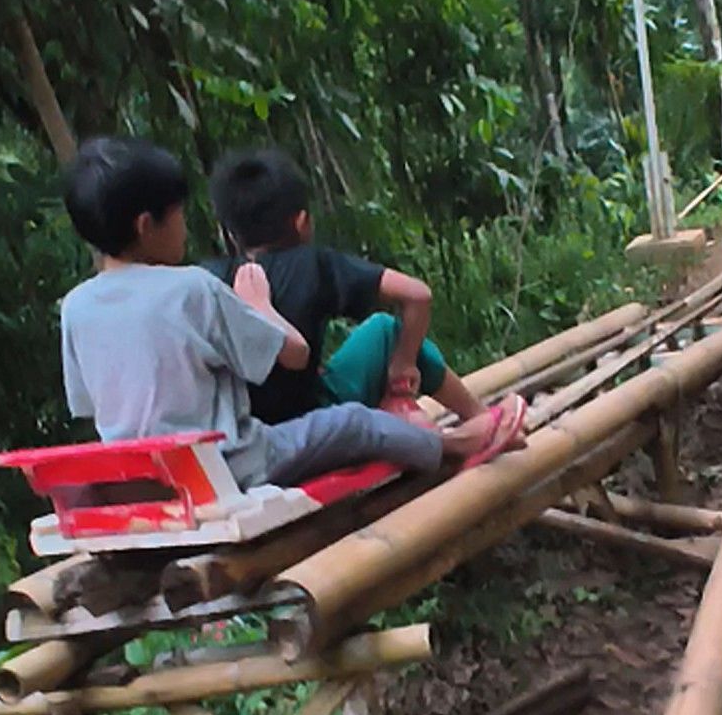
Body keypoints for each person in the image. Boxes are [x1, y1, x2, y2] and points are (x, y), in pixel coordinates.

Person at [58, 137, 524, 492]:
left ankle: (464, 430)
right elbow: (295, 354)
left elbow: (89, 406)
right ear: (147, 225)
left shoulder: (77, 306)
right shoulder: (190, 288)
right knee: (353, 423)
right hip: (230, 464)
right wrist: (260, 307)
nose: (184, 225)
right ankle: (458, 442)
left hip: (143, 479)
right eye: (178, 214)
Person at [203, 148, 489, 430]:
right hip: (313, 420)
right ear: (302, 222)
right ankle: (479, 415)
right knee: (384, 330)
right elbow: (418, 295)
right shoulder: (314, 264)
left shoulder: (208, 279)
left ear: (229, 234)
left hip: (244, 433)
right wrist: (403, 364)